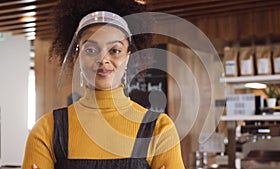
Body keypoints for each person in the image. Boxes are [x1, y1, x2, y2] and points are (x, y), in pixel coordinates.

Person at [21, 0, 185, 168]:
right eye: (91, 50)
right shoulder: (47, 129)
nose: (103, 59)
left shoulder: (159, 128)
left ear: (128, 56)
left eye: (115, 50)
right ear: (77, 56)